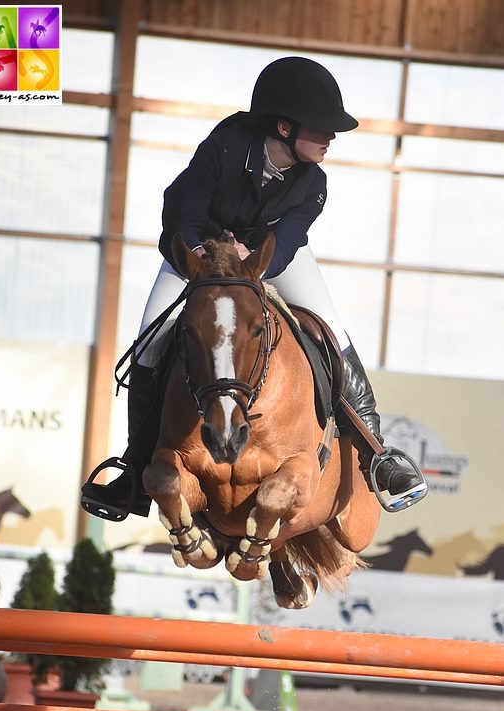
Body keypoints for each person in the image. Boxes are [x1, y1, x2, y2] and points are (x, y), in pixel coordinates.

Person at [82, 56, 427, 521]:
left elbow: (284, 242)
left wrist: (255, 261)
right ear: (284, 126)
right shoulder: (224, 148)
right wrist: (198, 254)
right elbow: (180, 207)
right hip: (200, 256)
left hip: (268, 258)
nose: (331, 137)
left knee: (336, 338)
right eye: (321, 128)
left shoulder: (314, 184)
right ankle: (135, 466)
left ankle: (376, 455)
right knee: (149, 344)